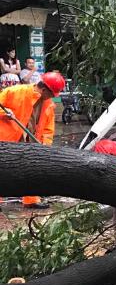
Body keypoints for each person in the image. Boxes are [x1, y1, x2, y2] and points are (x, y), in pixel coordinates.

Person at [0, 72, 66, 209]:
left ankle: (31, 200)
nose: (53, 97)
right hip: (7, 138)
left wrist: (45, 146)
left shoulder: (48, 104)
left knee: (30, 170)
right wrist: (4, 113)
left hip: (30, 142)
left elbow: (48, 128)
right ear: (43, 89)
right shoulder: (14, 92)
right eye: (52, 94)